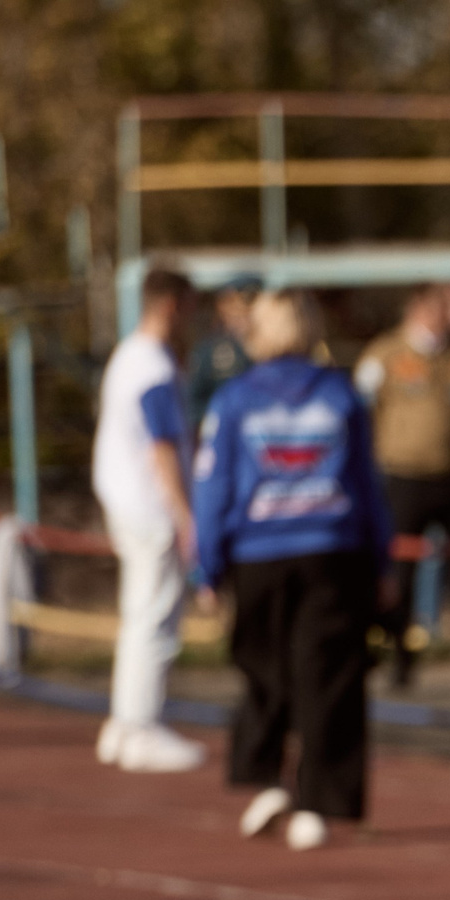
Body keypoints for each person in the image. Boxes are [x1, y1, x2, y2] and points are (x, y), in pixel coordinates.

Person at [192, 290, 391, 854]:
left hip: (257, 554)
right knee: (328, 679)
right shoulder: (340, 394)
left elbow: (214, 485)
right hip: (331, 549)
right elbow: (367, 485)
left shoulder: (234, 399)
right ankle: (316, 804)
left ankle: (267, 774)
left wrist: (206, 566)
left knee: (264, 670)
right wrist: (382, 559)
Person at [90, 266, 209, 775]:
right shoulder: (152, 364)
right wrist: (186, 516)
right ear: (170, 305)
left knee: (139, 612)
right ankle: (140, 726)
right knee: (154, 618)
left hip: (129, 499)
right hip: (149, 505)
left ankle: (123, 724)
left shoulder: (130, 356)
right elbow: (162, 445)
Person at [358, 282, 450, 688]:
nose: (443, 316)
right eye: (436, 308)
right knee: (401, 575)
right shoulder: (386, 354)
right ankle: (400, 662)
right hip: (405, 478)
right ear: (415, 309)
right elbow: (364, 408)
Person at [185, 276, 258, 426]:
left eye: (249, 302)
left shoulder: (270, 348)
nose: (241, 311)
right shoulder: (211, 350)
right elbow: (193, 402)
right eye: (233, 302)